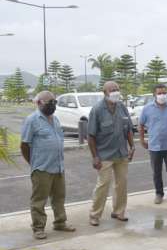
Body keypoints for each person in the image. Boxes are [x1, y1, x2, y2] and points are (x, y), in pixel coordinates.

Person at [20, 91, 75, 239]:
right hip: (41, 168)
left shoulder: (56, 119)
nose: (52, 105)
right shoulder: (32, 120)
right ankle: (38, 227)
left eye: (54, 102)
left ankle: (60, 222)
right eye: (49, 102)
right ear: (38, 103)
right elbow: (24, 145)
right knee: (39, 200)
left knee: (59, 197)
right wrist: (33, 163)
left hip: (58, 166)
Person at [88, 81, 135, 226]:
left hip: (121, 153)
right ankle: (94, 215)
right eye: (112, 90)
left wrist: (132, 146)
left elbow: (128, 129)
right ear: (105, 93)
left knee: (122, 184)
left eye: (117, 89)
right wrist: (95, 157)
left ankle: (119, 211)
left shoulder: (122, 107)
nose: (115, 92)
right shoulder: (97, 110)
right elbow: (91, 136)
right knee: (103, 185)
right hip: (104, 155)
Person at [140, 84, 167, 206]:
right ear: (154, 94)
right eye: (159, 93)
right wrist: (142, 140)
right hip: (154, 146)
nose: (162, 95)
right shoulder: (147, 108)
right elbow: (141, 125)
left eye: (164, 93)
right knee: (156, 172)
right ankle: (159, 194)